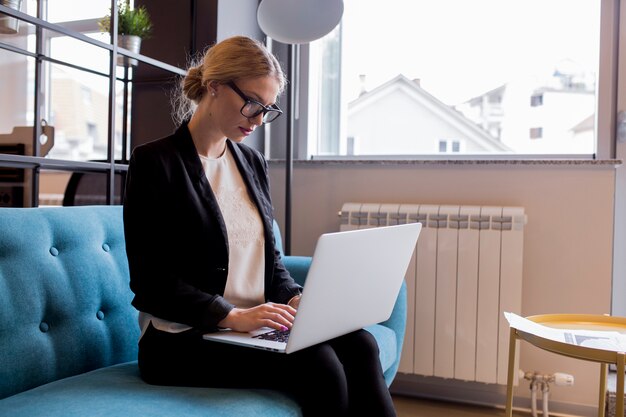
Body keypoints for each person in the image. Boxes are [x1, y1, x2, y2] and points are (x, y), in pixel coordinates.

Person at [122, 35, 396, 417]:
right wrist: (230, 315)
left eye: (267, 109)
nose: (258, 120)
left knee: (362, 344)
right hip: (185, 339)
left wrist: (298, 299)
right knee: (320, 364)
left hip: (254, 329)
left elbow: (271, 262)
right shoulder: (156, 162)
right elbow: (150, 282)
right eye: (251, 103)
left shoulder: (252, 162)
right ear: (214, 86)